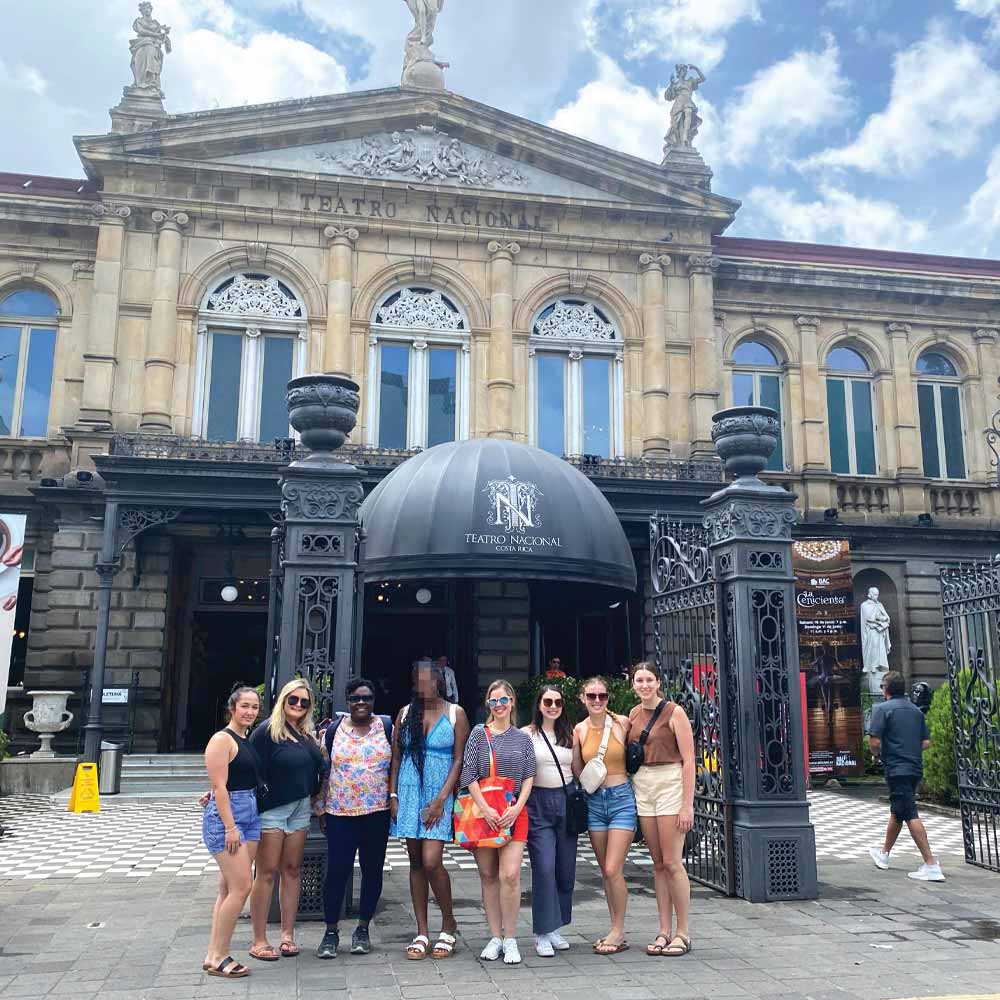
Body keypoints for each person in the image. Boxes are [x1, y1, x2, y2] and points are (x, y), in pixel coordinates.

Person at [390, 661, 470, 960]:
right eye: (417, 680)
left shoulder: (455, 713)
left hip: (439, 791)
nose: (422, 685)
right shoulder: (405, 713)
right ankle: (422, 931)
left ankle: (448, 922)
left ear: (439, 681)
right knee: (414, 862)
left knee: (432, 860)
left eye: (427, 680)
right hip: (410, 790)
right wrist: (393, 795)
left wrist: (441, 800)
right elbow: (396, 758)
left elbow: (459, 760)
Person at [315, 678, 393, 959]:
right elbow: (325, 771)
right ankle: (331, 931)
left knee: (372, 872)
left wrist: (394, 798)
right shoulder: (334, 731)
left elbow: (395, 765)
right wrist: (321, 808)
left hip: (376, 813)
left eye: (367, 698)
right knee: (336, 872)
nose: (362, 703)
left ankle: (362, 929)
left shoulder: (385, 728)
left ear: (373, 701)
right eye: (356, 698)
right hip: (340, 813)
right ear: (347, 702)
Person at [246, 679, 323, 962]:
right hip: (274, 808)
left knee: (291, 870)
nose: (298, 706)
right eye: (294, 700)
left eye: (304, 702)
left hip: (301, 808)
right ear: (283, 701)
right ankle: (259, 939)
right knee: (265, 872)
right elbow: (249, 766)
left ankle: (287, 935)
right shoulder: (267, 732)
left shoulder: (306, 734)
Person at [461, 680, 536, 965]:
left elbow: (529, 775)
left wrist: (517, 807)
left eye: (504, 700)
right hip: (484, 814)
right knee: (489, 876)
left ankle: (511, 937)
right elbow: (469, 775)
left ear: (512, 702)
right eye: (494, 702)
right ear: (488, 705)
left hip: (514, 812)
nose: (499, 705)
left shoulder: (522, 738)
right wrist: (484, 808)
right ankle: (495, 936)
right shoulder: (479, 735)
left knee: (510, 875)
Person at [628, 663, 695, 957]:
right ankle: (663, 930)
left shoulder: (674, 712)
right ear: (633, 684)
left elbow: (690, 759)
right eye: (639, 680)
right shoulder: (632, 714)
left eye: (649, 680)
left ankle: (683, 932)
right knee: (656, 863)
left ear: (658, 682)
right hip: (644, 784)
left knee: (672, 861)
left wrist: (687, 804)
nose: (644, 685)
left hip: (670, 780)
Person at [201, 685, 262, 979]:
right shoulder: (221, 739)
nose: (250, 711)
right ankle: (220, 956)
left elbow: (229, 776)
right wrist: (229, 827)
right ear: (232, 708)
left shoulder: (244, 738)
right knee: (241, 887)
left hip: (248, 810)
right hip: (231, 818)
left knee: (227, 888)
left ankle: (213, 953)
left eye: (254, 707)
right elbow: (220, 786)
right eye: (245, 706)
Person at [572, 675, 635, 955]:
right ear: (583, 699)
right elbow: (576, 766)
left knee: (612, 868)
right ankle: (614, 927)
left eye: (602, 696)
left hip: (621, 798)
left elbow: (638, 754)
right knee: (605, 872)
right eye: (591, 696)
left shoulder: (622, 723)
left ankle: (619, 931)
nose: (597, 700)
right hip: (595, 801)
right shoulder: (580, 729)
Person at [868, 671, 945, 881]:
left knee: (909, 813)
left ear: (886, 689)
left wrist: (878, 756)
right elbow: (926, 743)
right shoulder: (915, 711)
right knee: (898, 810)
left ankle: (931, 864)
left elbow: (874, 741)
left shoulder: (882, 709)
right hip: (914, 767)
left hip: (896, 768)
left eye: (882, 686)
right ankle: (884, 854)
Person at [522, 684, 576, 956]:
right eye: (547, 701)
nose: (553, 706)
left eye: (557, 702)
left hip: (565, 801)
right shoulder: (526, 734)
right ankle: (542, 931)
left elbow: (577, 769)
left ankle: (556, 926)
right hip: (537, 803)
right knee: (543, 867)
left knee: (565, 869)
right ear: (539, 704)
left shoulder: (570, 734)